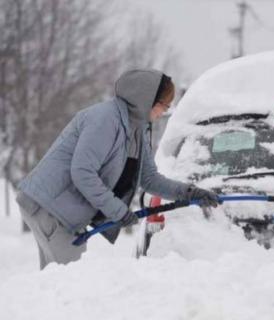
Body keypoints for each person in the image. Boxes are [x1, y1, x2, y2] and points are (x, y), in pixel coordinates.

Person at [16, 69, 218, 269]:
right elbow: (83, 172)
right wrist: (118, 211)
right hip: (50, 208)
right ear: (146, 99)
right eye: (164, 104)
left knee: (55, 282)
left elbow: (149, 179)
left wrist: (188, 192)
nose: (165, 110)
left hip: (58, 211)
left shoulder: (136, 130)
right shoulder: (106, 120)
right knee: (66, 282)